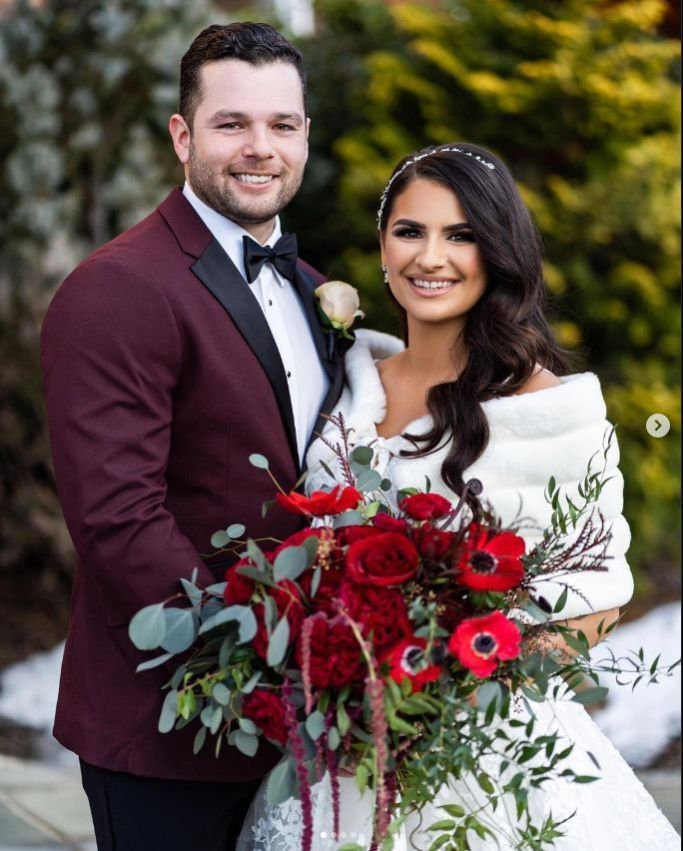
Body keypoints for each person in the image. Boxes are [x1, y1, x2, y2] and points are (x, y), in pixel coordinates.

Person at [236, 143, 681, 849]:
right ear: (382, 247)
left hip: (485, 755)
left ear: (497, 252)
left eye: (460, 235)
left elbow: (596, 602)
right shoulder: (350, 384)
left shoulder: (550, 411)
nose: (429, 257)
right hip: (347, 750)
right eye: (409, 231)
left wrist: (449, 691)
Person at [40, 22, 346, 851]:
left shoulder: (317, 291)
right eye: (230, 123)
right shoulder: (115, 289)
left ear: (305, 136)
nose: (260, 147)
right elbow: (118, 519)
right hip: (171, 724)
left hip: (310, 724)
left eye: (281, 125)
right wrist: (251, 667)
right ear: (182, 135)